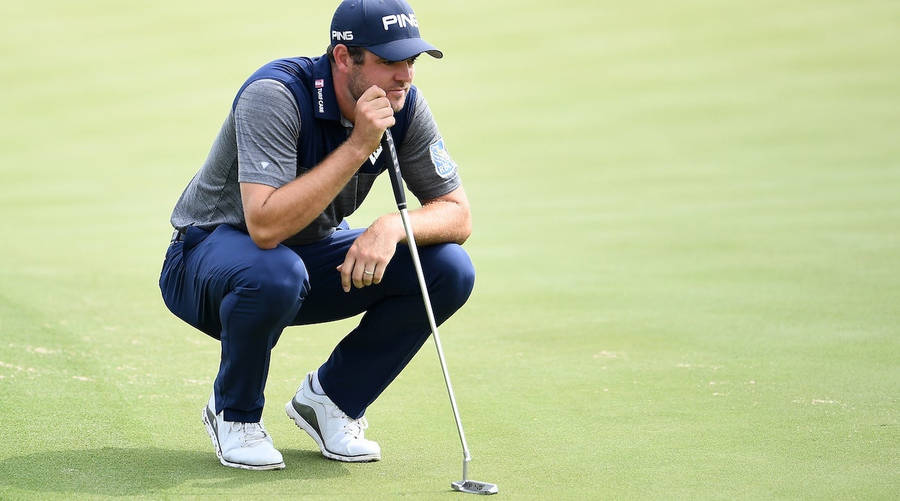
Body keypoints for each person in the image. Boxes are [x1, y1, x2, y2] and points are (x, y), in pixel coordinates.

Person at [158, 0, 474, 471]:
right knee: (275, 272)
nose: (405, 75)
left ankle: (332, 401)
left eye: (411, 60)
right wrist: (358, 146)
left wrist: (391, 227)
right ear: (344, 57)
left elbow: (457, 214)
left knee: (447, 269)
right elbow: (264, 226)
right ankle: (234, 414)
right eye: (389, 61)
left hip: (303, 260)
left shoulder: (405, 105)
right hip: (205, 260)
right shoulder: (277, 94)